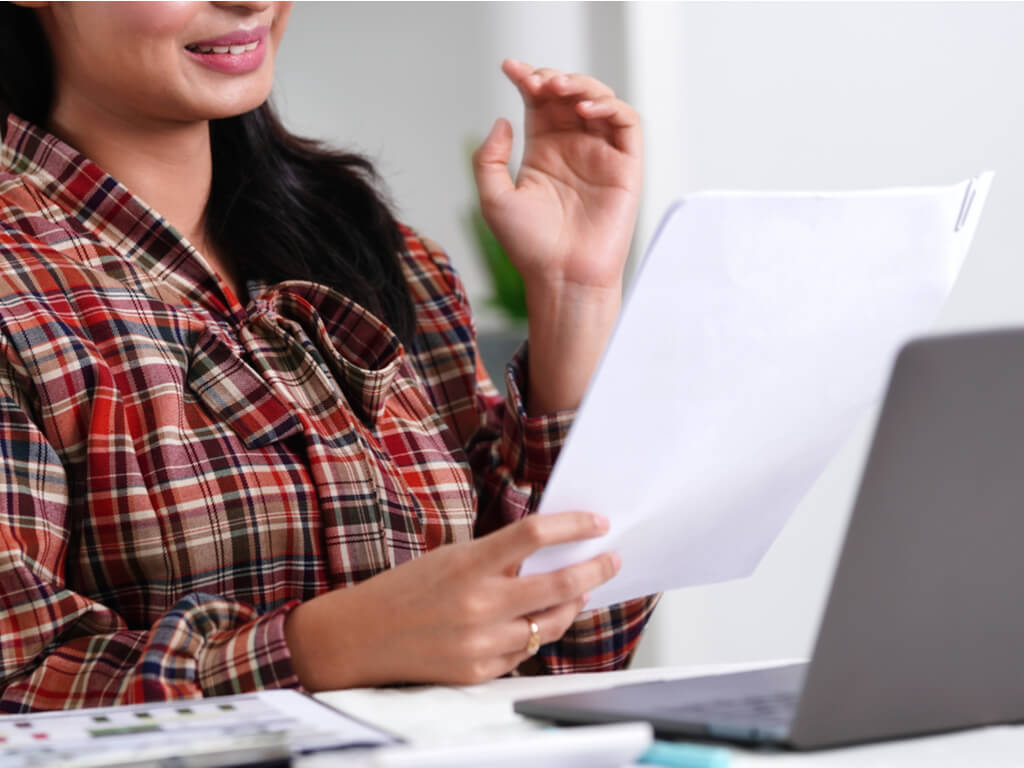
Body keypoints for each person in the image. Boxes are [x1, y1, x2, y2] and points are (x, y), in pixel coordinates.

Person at [0, 1, 657, 712]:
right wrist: (330, 645)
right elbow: (18, 683)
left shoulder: (385, 258)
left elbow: (570, 656)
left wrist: (573, 297)